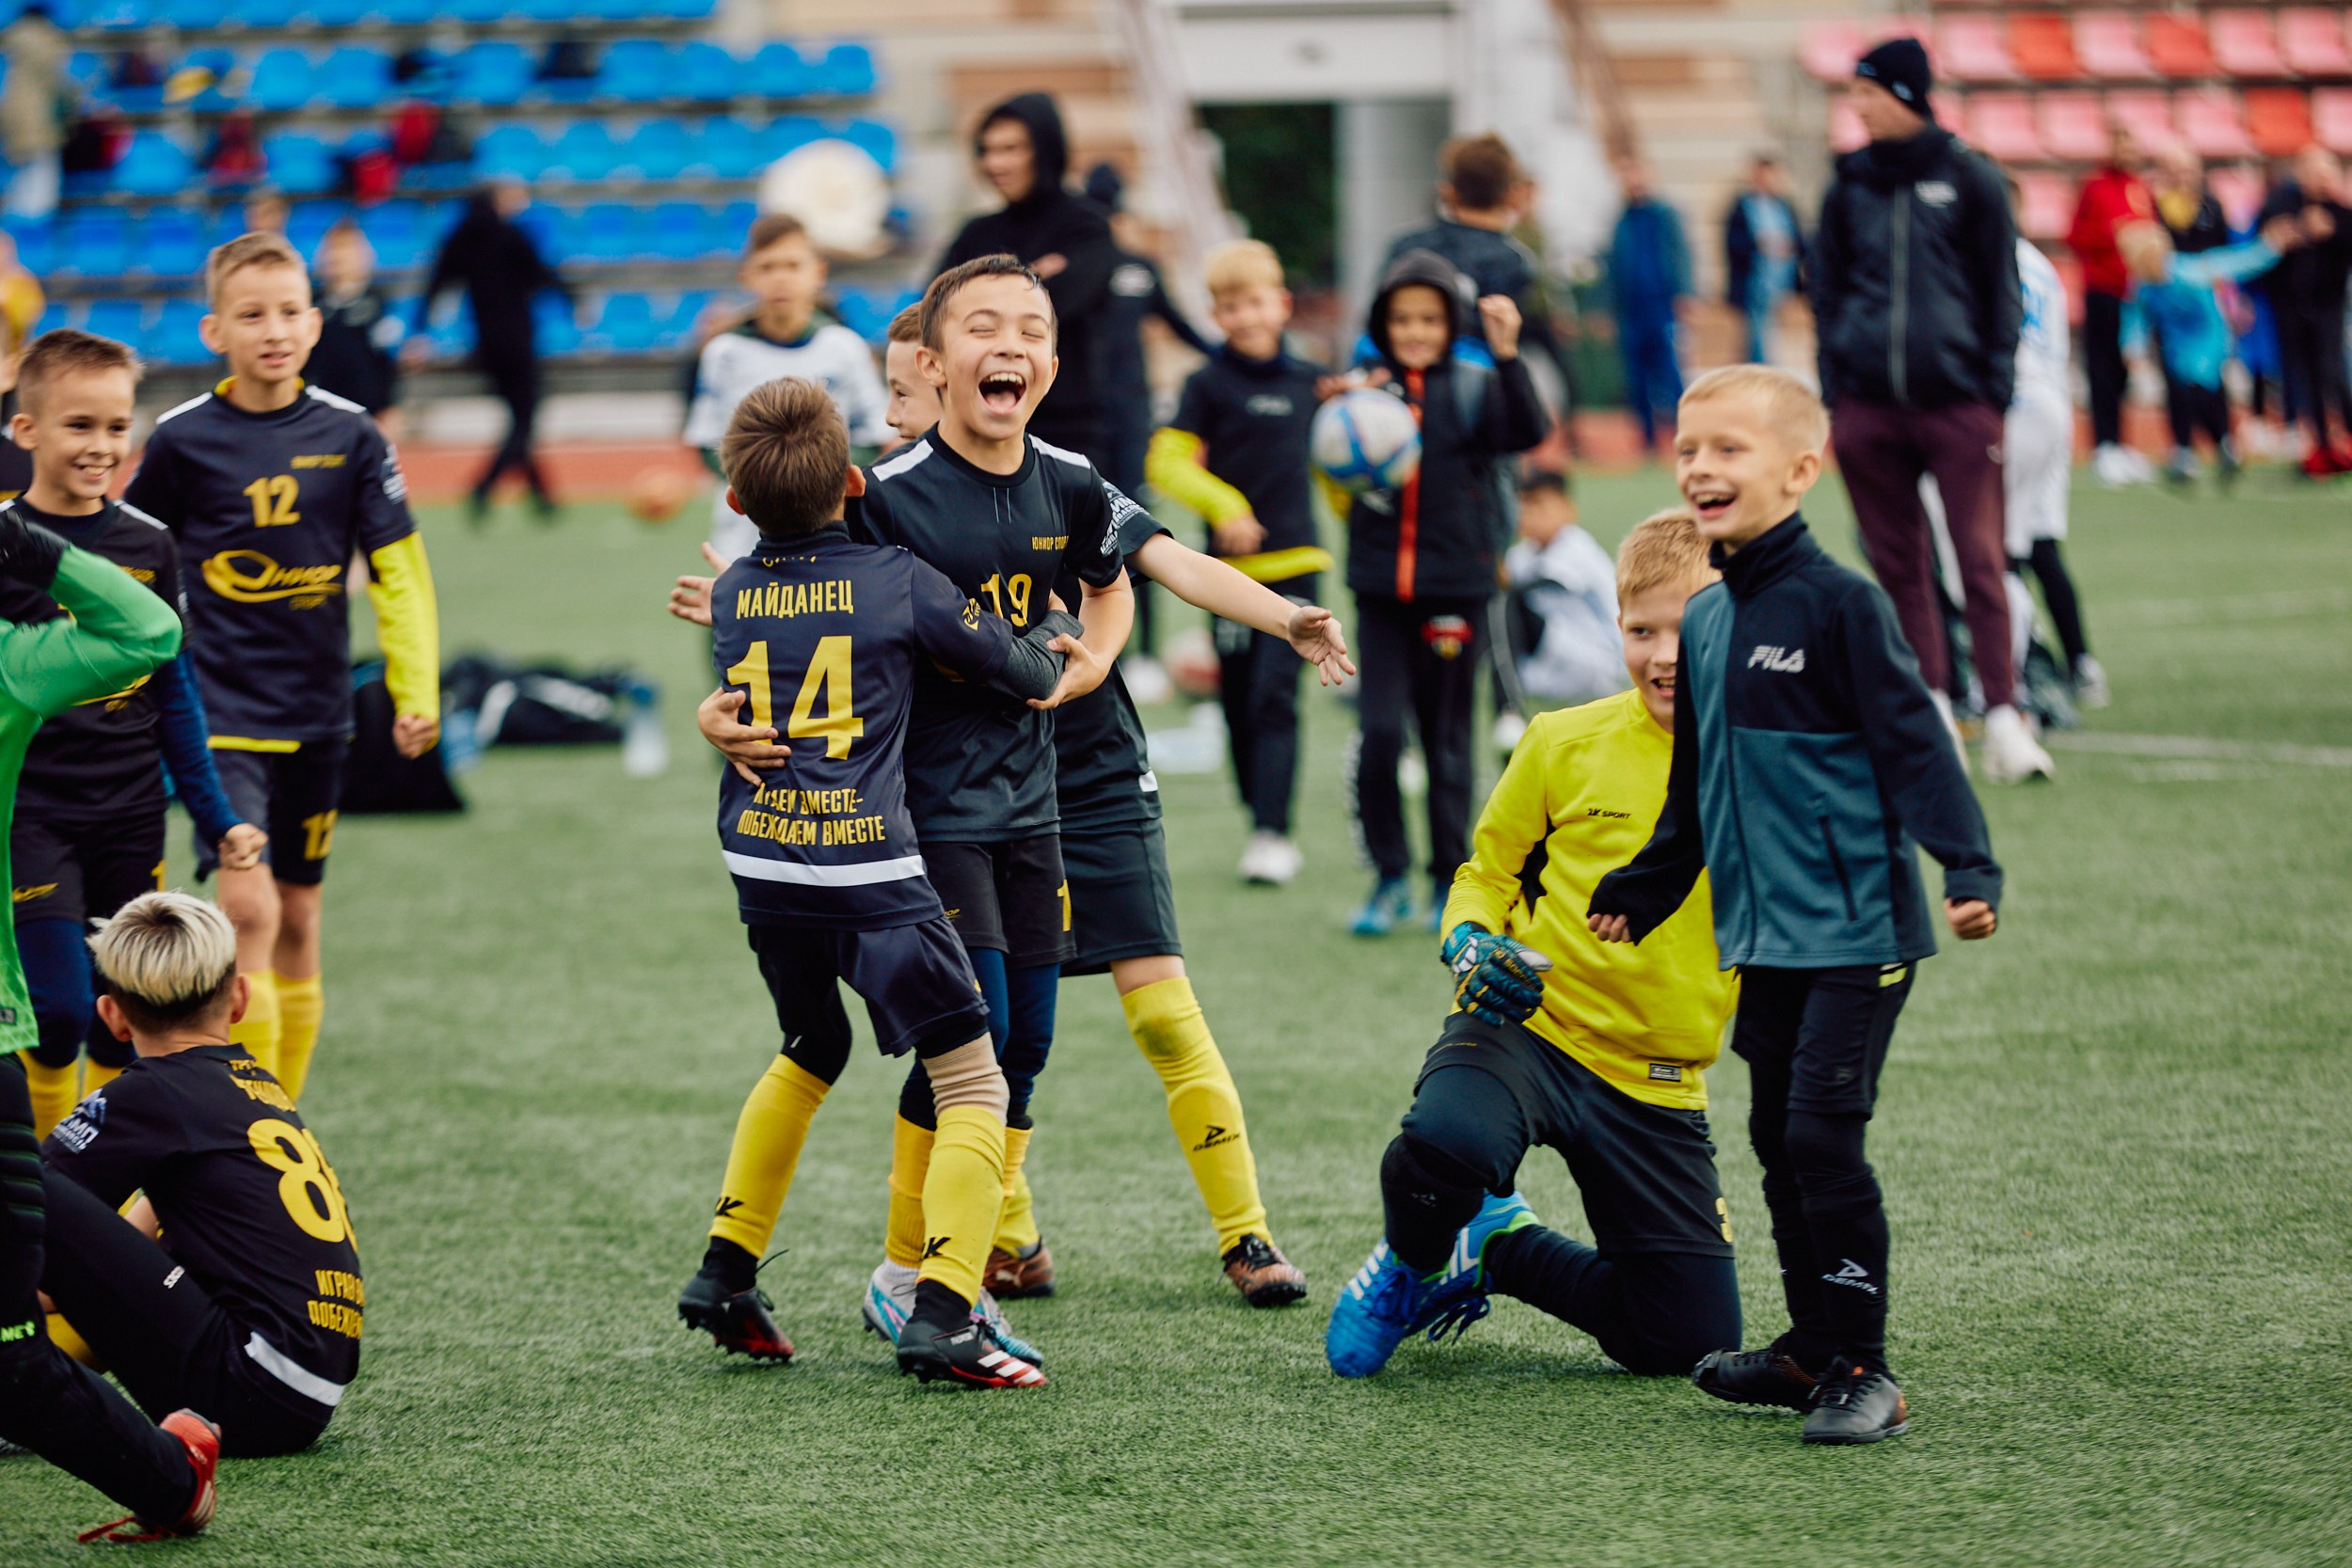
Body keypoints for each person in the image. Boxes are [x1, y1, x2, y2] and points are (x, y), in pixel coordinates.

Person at [680, 261, 1353, 1314]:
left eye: (1030, 327)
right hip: (933, 805)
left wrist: (1282, 617)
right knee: (972, 1036)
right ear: (933, 368)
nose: (1009, 343)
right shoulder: (886, 501)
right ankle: (920, 1269)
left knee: (1038, 1039)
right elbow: (803, 616)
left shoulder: (1070, 477)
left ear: (1050, 361)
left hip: (1056, 784)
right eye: (981, 326)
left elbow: (1155, 565)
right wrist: (724, 708)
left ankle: (1183, 1234)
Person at [669, 256, 1129, 1351]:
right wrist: (1050, 635)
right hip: (875, 862)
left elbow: (747, 670)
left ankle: (726, 1268)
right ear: (856, 486)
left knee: (809, 1042)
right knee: (973, 1067)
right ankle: (942, 1307)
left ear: (735, 502)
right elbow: (1022, 668)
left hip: (765, 861)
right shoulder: (899, 577)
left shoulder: (733, 589)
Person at [1588, 365, 2004, 1446]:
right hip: (1763, 934)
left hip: (1856, 928)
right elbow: (1699, 780)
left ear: (1801, 469)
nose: (1700, 467)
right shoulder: (1712, 617)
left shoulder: (1841, 605)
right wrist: (1651, 876)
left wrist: (1966, 865)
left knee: (1821, 1130)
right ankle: (1810, 1345)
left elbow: (1915, 743)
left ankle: (1866, 1366)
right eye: (1688, 449)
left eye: (1728, 449)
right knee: (1776, 1129)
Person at [1326, 508, 1741, 1381]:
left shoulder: (1769, 760)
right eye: (1641, 630)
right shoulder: (1561, 741)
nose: (1664, 654)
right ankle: (1416, 1259)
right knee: (1443, 1144)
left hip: (1658, 1075)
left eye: (1691, 626)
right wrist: (1469, 943)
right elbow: (1485, 872)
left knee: (1684, 1340)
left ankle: (1497, 1248)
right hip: (1532, 1025)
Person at [125, 232, 441, 1102]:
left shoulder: (350, 435)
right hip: (216, 714)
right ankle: (241, 1126)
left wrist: (415, 691)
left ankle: (279, 1122)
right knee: (251, 911)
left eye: (291, 310)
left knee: (300, 918)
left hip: (316, 716)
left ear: (314, 321)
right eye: (251, 314)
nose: (275, 329)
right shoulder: (182, 440)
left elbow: (399, 571)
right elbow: (125, 563)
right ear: (212, 330)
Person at [0, 500, 219, 1545]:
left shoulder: (6, 663)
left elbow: (148, 632)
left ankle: (174, 1474)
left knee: (6, 1348)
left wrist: (30, 542)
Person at [4, 330, 263, 1140]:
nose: (101, 446)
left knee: (124, 1014)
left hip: (128, 805)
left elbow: (175, 688)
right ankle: (48, 1178)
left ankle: (101, 1182)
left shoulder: (149, 543)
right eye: (80, 425)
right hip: (33, 811)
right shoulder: (9, 545)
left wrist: (214, 815)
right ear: (26, 431)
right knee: (55, 1004)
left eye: (117, 427)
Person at [40, 892, 361, 1450]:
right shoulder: (250, 1083)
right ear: (239, 998)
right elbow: (126, 1244)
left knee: (23, 1180)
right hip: (298, 1395)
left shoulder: (152, 1094)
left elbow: (33, 1217)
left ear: (112, 1016)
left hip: (243, 1387)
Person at [1812, 39, 2049, 785]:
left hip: (1958, 406)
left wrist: (1991, 391)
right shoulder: (1845, 184)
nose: (1856, 105)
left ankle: (2006, 716)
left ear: (1906, 94)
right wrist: (1838, 389)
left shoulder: (1970, 176)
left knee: (1979, 559)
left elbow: (2000, 290)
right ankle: (1934, 711)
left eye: (1868, 92)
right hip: (1867, 410)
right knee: (1898, 567)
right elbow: (1826, 291)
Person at [1345, 250, 1546, 937]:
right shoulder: (1365, 392)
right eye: (1402, 319)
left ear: (1450, 322)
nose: (1416, 331)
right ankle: (1388, 873)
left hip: (1454, 588)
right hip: (1378, 591)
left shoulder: (1474, 384)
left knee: (1447, 743)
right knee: (1376, 734)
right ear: (1383, 322)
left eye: (1430, 318)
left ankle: (1445, 879)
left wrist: (1507, 353)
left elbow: (1528, 431)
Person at [1146, 238, 1331, 885]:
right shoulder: (1207, 384)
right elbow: (1163, 462)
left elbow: (1341, 461)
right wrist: (1225, 507)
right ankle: (1260, 814)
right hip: (1227, 581)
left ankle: (1273, 832)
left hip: (1299, 568)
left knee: (1277, 699)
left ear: (1281, 304)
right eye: (1229, 306)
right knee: (1241, 708)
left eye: (1255, 302)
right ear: (1215, 315)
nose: (1245, 316)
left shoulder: (1312, 381)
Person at [682, 215, 888, 567]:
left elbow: (873, 438)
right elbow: (707, 443)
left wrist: (811, 480)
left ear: (817, 273)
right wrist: (766, 485)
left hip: (832, 537)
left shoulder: (846, 348)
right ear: (746, 276)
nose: (780, 277)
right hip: (743, 539)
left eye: (793, 265)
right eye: (767, 267)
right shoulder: (724, 353)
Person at [936, 95, 1120, 467]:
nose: (994, 163)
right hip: (981, 422)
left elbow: (1061, 305)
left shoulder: (1087, 226)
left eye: (1011, 149)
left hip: (1071, 426)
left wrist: (979, 294)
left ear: (1046, 149)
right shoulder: (974, 233)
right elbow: (934, 311)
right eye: (986, 151)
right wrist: (1033, 277)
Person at [1084, 161, 1214, 688]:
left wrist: (1228, 356)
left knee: (1138, 527)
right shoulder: (1070, 275)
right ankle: (1096, 644)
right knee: (1080, 531)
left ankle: (1148, 654)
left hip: (1133, 417)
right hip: (1083, 424)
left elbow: (1179, 323)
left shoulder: (1140, 268)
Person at [415, 180, 573, 520]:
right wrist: (573, 298)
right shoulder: (510, 235)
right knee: (525, 417)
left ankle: (542, 494)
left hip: (486, 344)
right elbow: (542, 274)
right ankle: (484, 486)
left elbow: (436, 284)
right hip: (517, 339)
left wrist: (420, 328)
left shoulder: (460, 237)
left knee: (519, 416)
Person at [2001, 212, 2107, 709]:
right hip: (2051, 406)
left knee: (1999, 552)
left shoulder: (1989, 257)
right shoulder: (2042, 265)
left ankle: (2011, 681)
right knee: (2041, 542)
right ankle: (2081, 663)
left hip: (2010, 408)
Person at [1381, 133, 1575, 394]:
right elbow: (1494, 341)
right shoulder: (1513, 261)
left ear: (1448, 192)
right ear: (1514, 196)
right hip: (1468, 395)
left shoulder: (1405, 245)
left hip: (1399, 384)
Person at [2125, 215, 2300, 488]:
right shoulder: (2143, 284)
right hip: (2176, 343)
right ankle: (2189, 451)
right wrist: (2132, 349)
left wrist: (2270, 247)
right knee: (2179, 392)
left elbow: (2237, 262)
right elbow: (2135, 319)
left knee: (2199, 387)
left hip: (2209, 337)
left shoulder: (2190, 271)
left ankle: (2221, 444)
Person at [2253, 147, 2352, 478]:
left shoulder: (2341, 212)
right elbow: (2261, 246)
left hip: (2328, 305)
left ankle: (2346, 435)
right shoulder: (2281, 204)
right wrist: (2287, 234)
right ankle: (2319, 444)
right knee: (2300, 376)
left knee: (2332, 371)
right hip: (2289, 306)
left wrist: (2333, 232)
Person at [2068, 122, 2156, 487]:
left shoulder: (2140, 188)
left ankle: (2123, 444)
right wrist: (2111, 232)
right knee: (2101, 368)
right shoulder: (2095, 187)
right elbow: (2074, 235)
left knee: (2125, 371)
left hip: (2134, 293)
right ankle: (2103, 445)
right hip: (2102, 289)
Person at [1502, 470, 1624, 706]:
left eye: (1540, 505)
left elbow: (1535, 584)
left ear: (1568, 509)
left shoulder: (1578, 546)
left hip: (1599, 656)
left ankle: (1507, 705)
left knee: (1506, 601)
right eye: (1525, 506)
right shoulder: (1521, 554)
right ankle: (1507, 689)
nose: (1531, 515)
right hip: (1554, 657)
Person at [1608, 155, 1691, 454]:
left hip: (1661, 307)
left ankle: (1687, 433)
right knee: (1637, 378)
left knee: (1670, 373)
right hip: (1631, 312)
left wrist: (1684, 293)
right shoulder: (1620, 220)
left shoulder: (1665, 215)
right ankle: (1647, 440)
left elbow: (1681, 254)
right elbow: (1612, 265)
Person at [306, 220, 405, 435]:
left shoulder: (378, 304)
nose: (338, 260)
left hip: (369, 410)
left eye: (347, 252)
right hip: (325, 410)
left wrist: (389, 405)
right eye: (333, 252)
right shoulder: (313, 306)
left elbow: (386, 361)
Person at [1724, 153, 1806, 364]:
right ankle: (1760, 368)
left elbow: (1799, 239)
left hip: (1779, 277)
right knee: (1756, 330)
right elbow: (1733, 243)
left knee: (1771, 329)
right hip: (1754, 277)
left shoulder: (1784, 205)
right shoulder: (1743, 206)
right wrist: (1759, 244)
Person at [1, 3, 71, 222]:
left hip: (12, 119)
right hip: (39, 121)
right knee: (41, 185)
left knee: (21, 180)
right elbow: (58, 86)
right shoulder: (48, 44)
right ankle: (30, 238)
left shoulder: (11, 46)